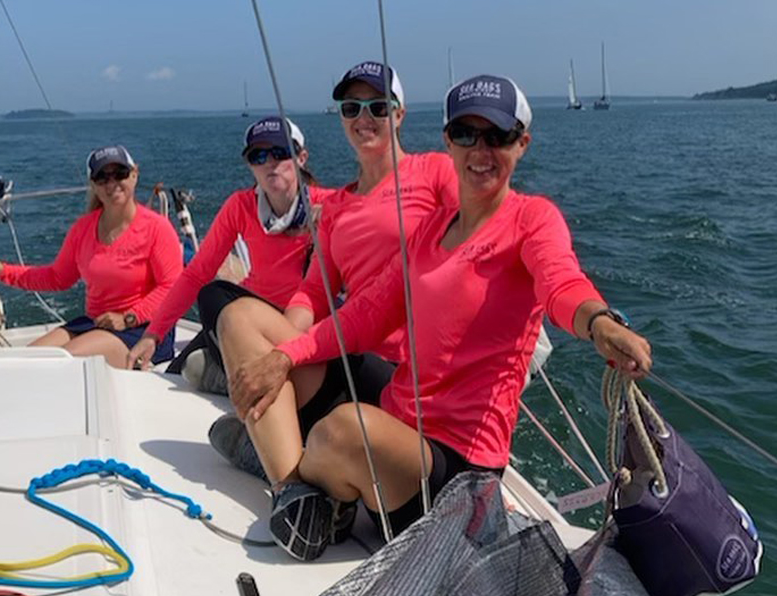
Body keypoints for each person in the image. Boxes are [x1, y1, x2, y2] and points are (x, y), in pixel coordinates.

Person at [230, 74, 653, 561]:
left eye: (498, 136)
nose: (482, 150)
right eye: (467, 135)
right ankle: (311, 491)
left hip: (458, 473)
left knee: (342, 429)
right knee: (254, 331)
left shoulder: (531, 219)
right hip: (400, 427)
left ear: (523, 144)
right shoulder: (429, 232)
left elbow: (560, 281)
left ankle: (306, 485)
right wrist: (285, 356)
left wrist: (598, 321)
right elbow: (365, 315)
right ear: (448, 142)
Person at [211, 61, 459, 560]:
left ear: (401, 114)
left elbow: (484, 236)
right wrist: (281, 352)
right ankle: (294, 497)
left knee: (261, 353)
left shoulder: (435, 173)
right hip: (354, 359)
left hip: (409, 372)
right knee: (235, 316)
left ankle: (271, 447)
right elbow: (313, 296)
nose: (363, 117)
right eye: (351, 107)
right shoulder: (339, 208)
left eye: (377, 106)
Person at [126, 116, 331, 377]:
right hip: (250, 315)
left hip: (301, 324)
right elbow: (197, 273)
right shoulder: (241, 206)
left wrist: (337, 222)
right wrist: (153, 334)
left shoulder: (331, 206)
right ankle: (231, 372)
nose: (269, 163)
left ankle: (228, 374)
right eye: (258, 156)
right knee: (178, 368)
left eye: (280, 153)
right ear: (250, 165)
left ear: (301, 157)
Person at [0, 145, 183, 369]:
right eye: (102, 177)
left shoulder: (157, 229)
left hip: (144, 329)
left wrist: (127, 318)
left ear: (134, 175)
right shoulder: (83, 229)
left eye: (119, 174)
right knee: (25, 362)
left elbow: (172, 288)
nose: (111, 183)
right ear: (93, 185)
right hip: (97, 324)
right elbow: (57, 277)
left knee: (60, 364)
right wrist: (4, 271)